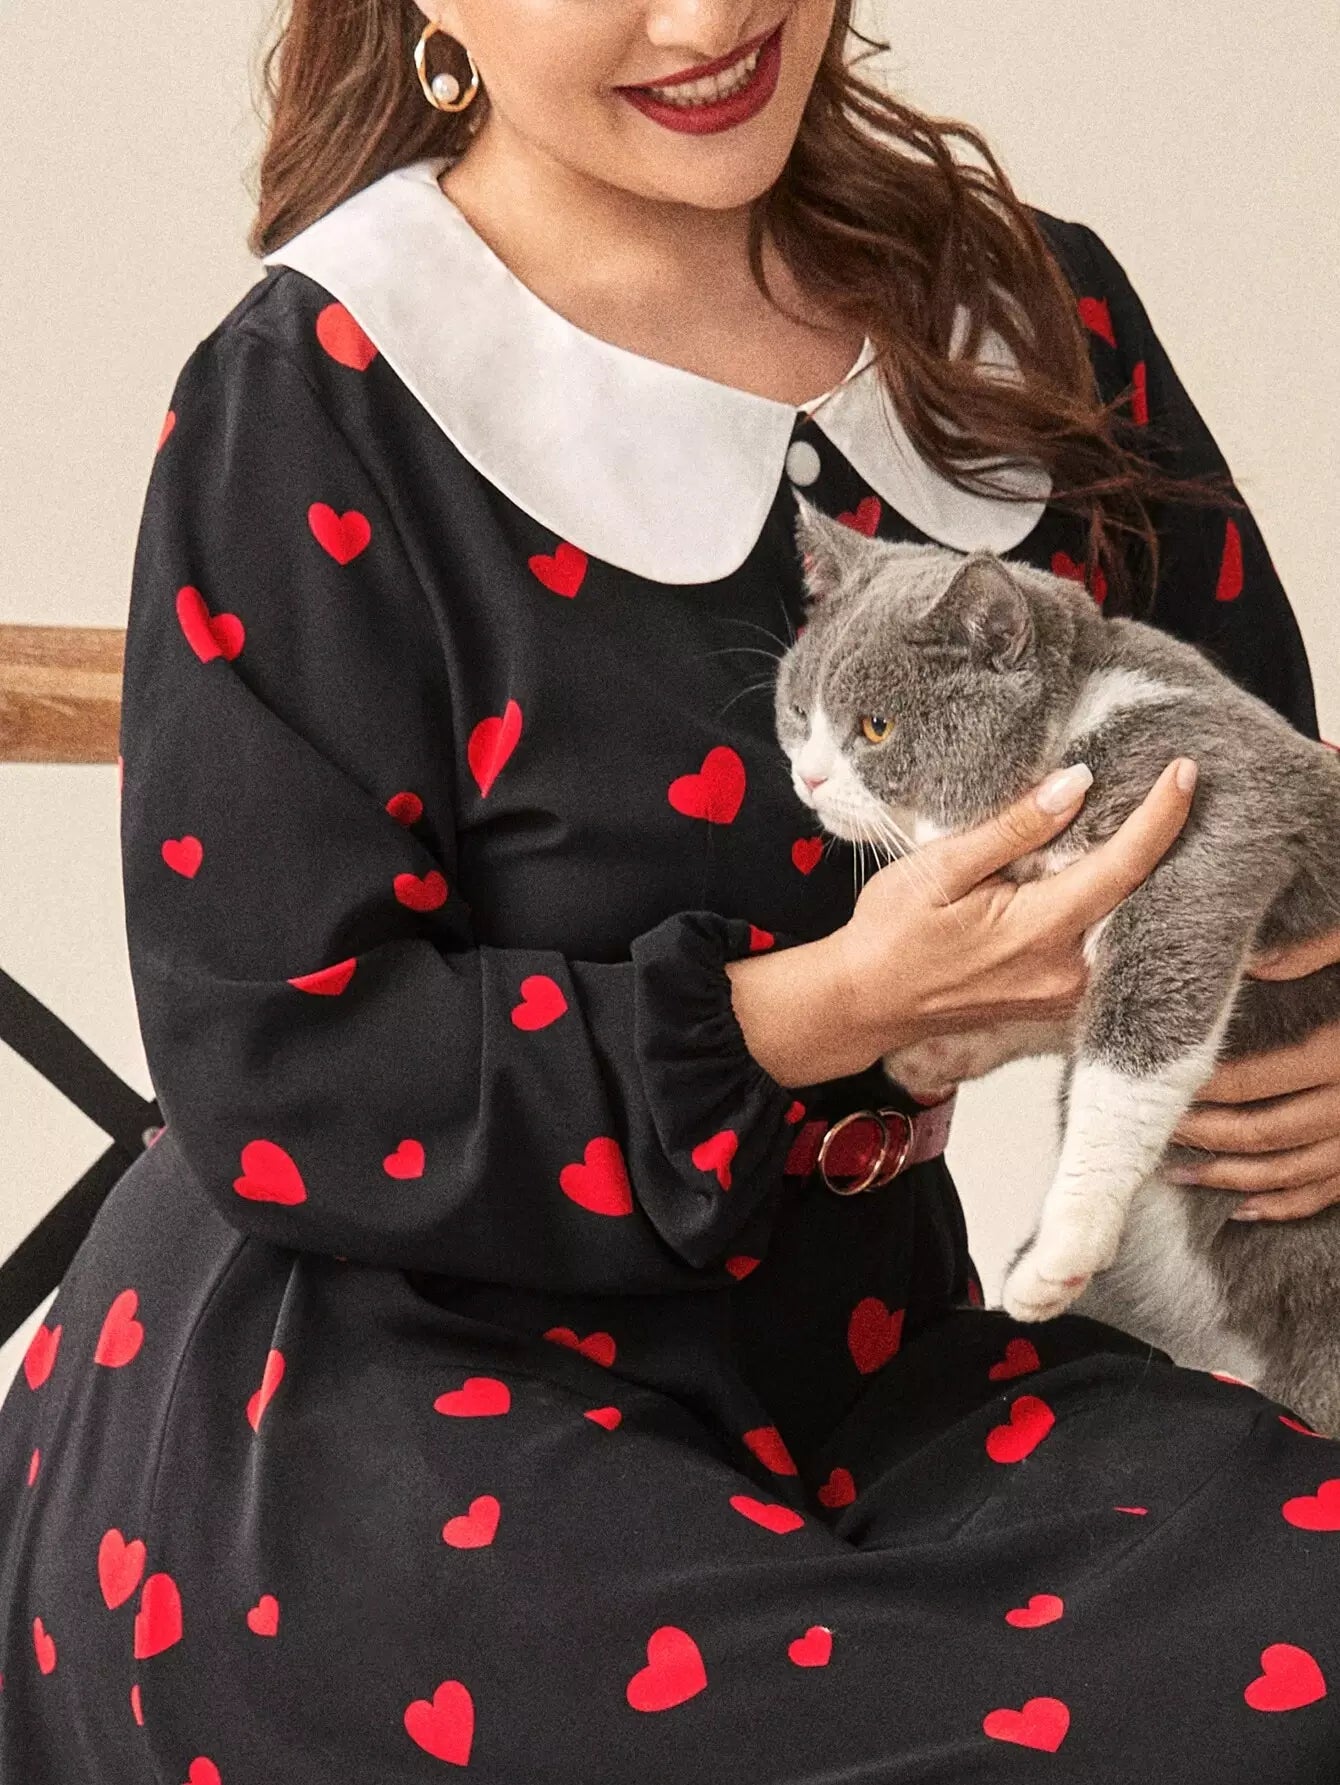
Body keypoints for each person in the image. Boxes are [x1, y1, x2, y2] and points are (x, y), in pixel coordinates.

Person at [3, 3, 1339, 1779]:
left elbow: (1259, 797)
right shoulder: (319, 392)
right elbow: (282, 1065)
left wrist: (1316, 1018)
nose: (708, 21)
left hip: (872, 1377)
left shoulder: (1028, 316)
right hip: (380, 1398)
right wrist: (821, 1013)